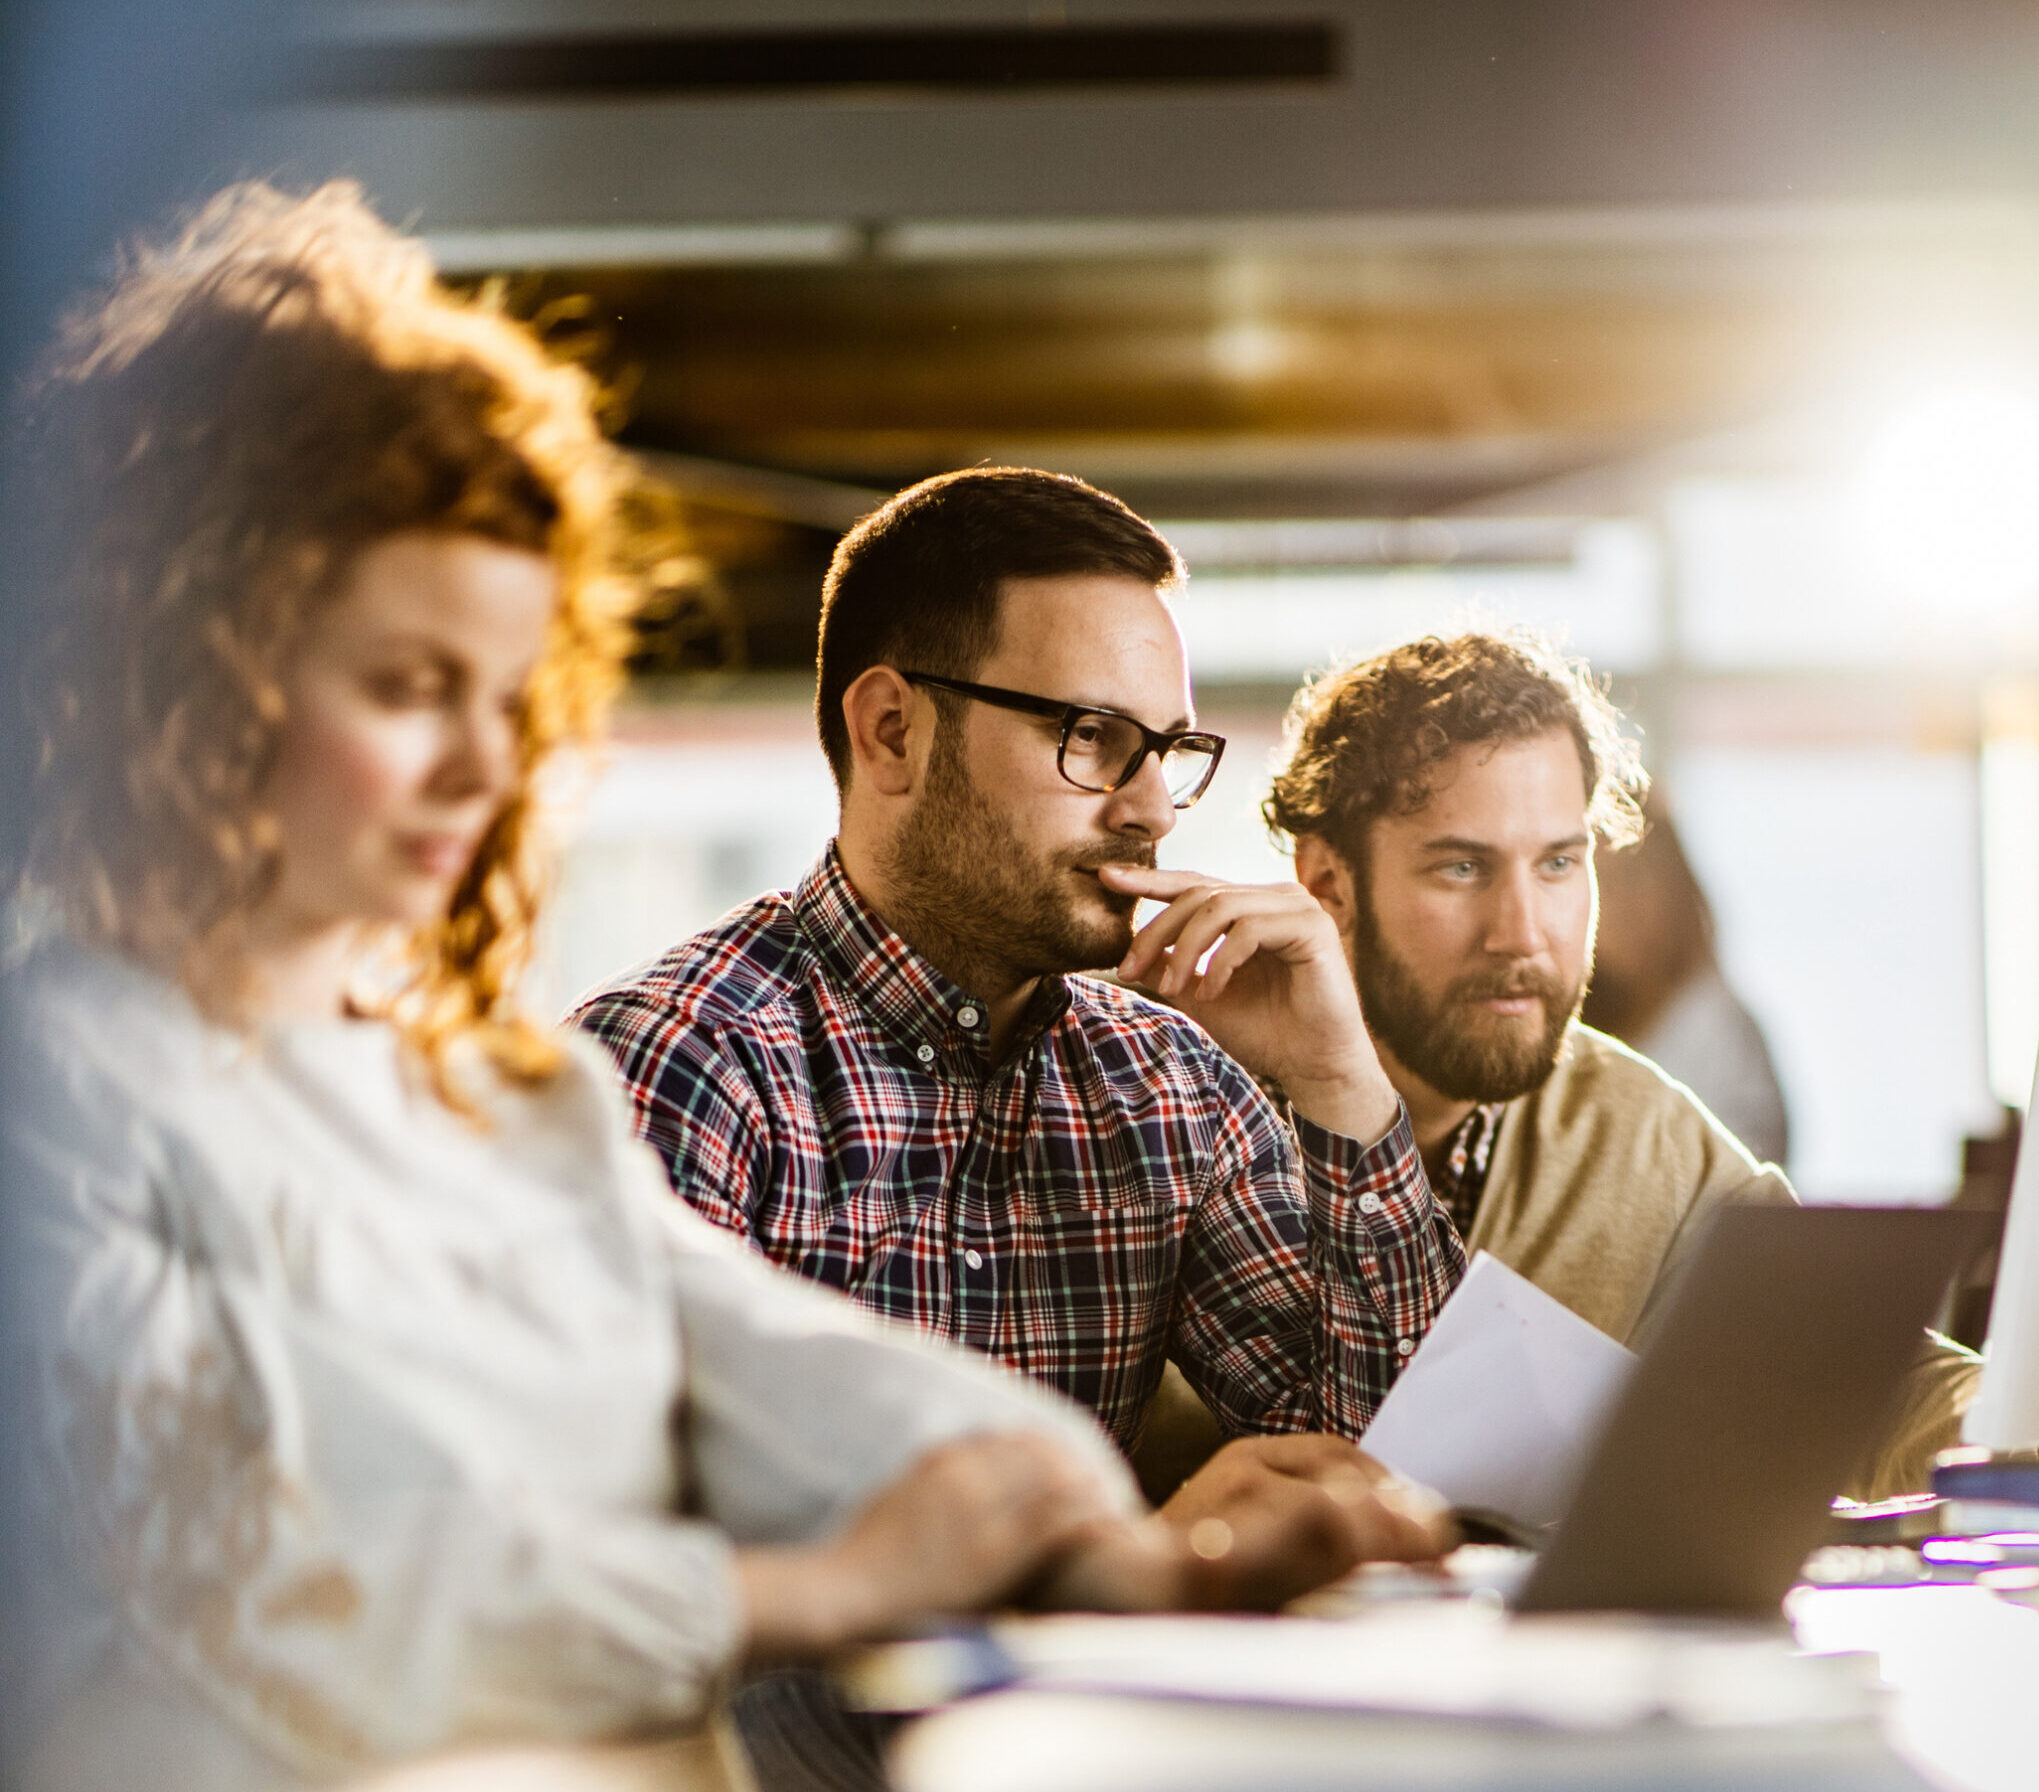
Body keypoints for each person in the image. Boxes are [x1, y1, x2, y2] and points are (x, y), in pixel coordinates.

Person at [0, 183, 1444, 1792]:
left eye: (508, 692)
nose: (487, 764)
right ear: (193, 679)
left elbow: (805, 1381)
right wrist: (802, 1594)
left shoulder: (493, 1104)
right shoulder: (58, 1090)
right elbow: (256, 1592)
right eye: (412, 688)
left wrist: (1103, 1553)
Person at [572, 469, 1466, 1457]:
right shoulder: (681, 1068)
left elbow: (1407, 1466)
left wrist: (1338, 1078)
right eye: (1091, 735)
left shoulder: (1173, 1084)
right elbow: (607, 1538)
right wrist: (1126, 1563)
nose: (1153, 810)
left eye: (1167, 749)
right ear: (892, 732)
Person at [1241, 631, 1969, 1498]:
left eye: (1558, 864)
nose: (1521, 932)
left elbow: (1863, 1378)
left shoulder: (1633, 1126)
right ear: (1327, 884)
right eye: (1462, 867)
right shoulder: (1166, 1104)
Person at [1583, 798, 1791, 1168]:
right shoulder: (1576, 1034)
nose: (1616, 905)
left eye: (1633, 877)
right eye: (1598, 881)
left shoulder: (1717, 1032)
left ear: (1674, 886)